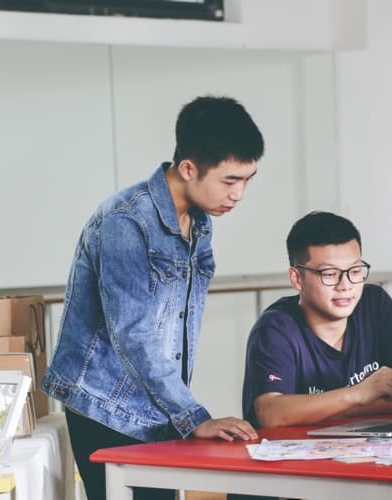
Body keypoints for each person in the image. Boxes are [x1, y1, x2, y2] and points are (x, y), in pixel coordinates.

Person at [42, 96, 264, 500]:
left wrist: (177, 411)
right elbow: (134, 334)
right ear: (188, 168)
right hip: (106, 404)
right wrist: (192, 416)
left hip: (156, 403)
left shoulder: (199, 222)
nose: (239, 194)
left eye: (248, 180)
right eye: (230, 181)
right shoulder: (126, 222)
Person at [242, 211, 392, 428]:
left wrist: (337, 409)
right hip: (301, 457)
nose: (346, 285)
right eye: (329, 274)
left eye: (355, 271)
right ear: (297, 279)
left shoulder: (373, 303)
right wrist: (357, 394)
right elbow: (271, 414)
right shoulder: (276, 329)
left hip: (370, 449)